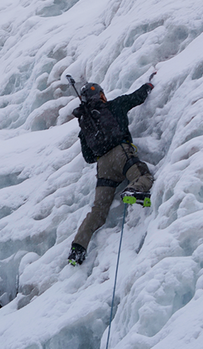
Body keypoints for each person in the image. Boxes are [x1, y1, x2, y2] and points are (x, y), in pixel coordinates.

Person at [68, 79, 154, 266]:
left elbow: (89, 157)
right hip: (120, 154)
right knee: (142, 176)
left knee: (98, 211)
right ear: (100, 95)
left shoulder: (85, 127)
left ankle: (78, 248)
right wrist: (149, 85)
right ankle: (134, 190)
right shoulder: (114, 106)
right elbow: (136, 98)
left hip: (103, 167)